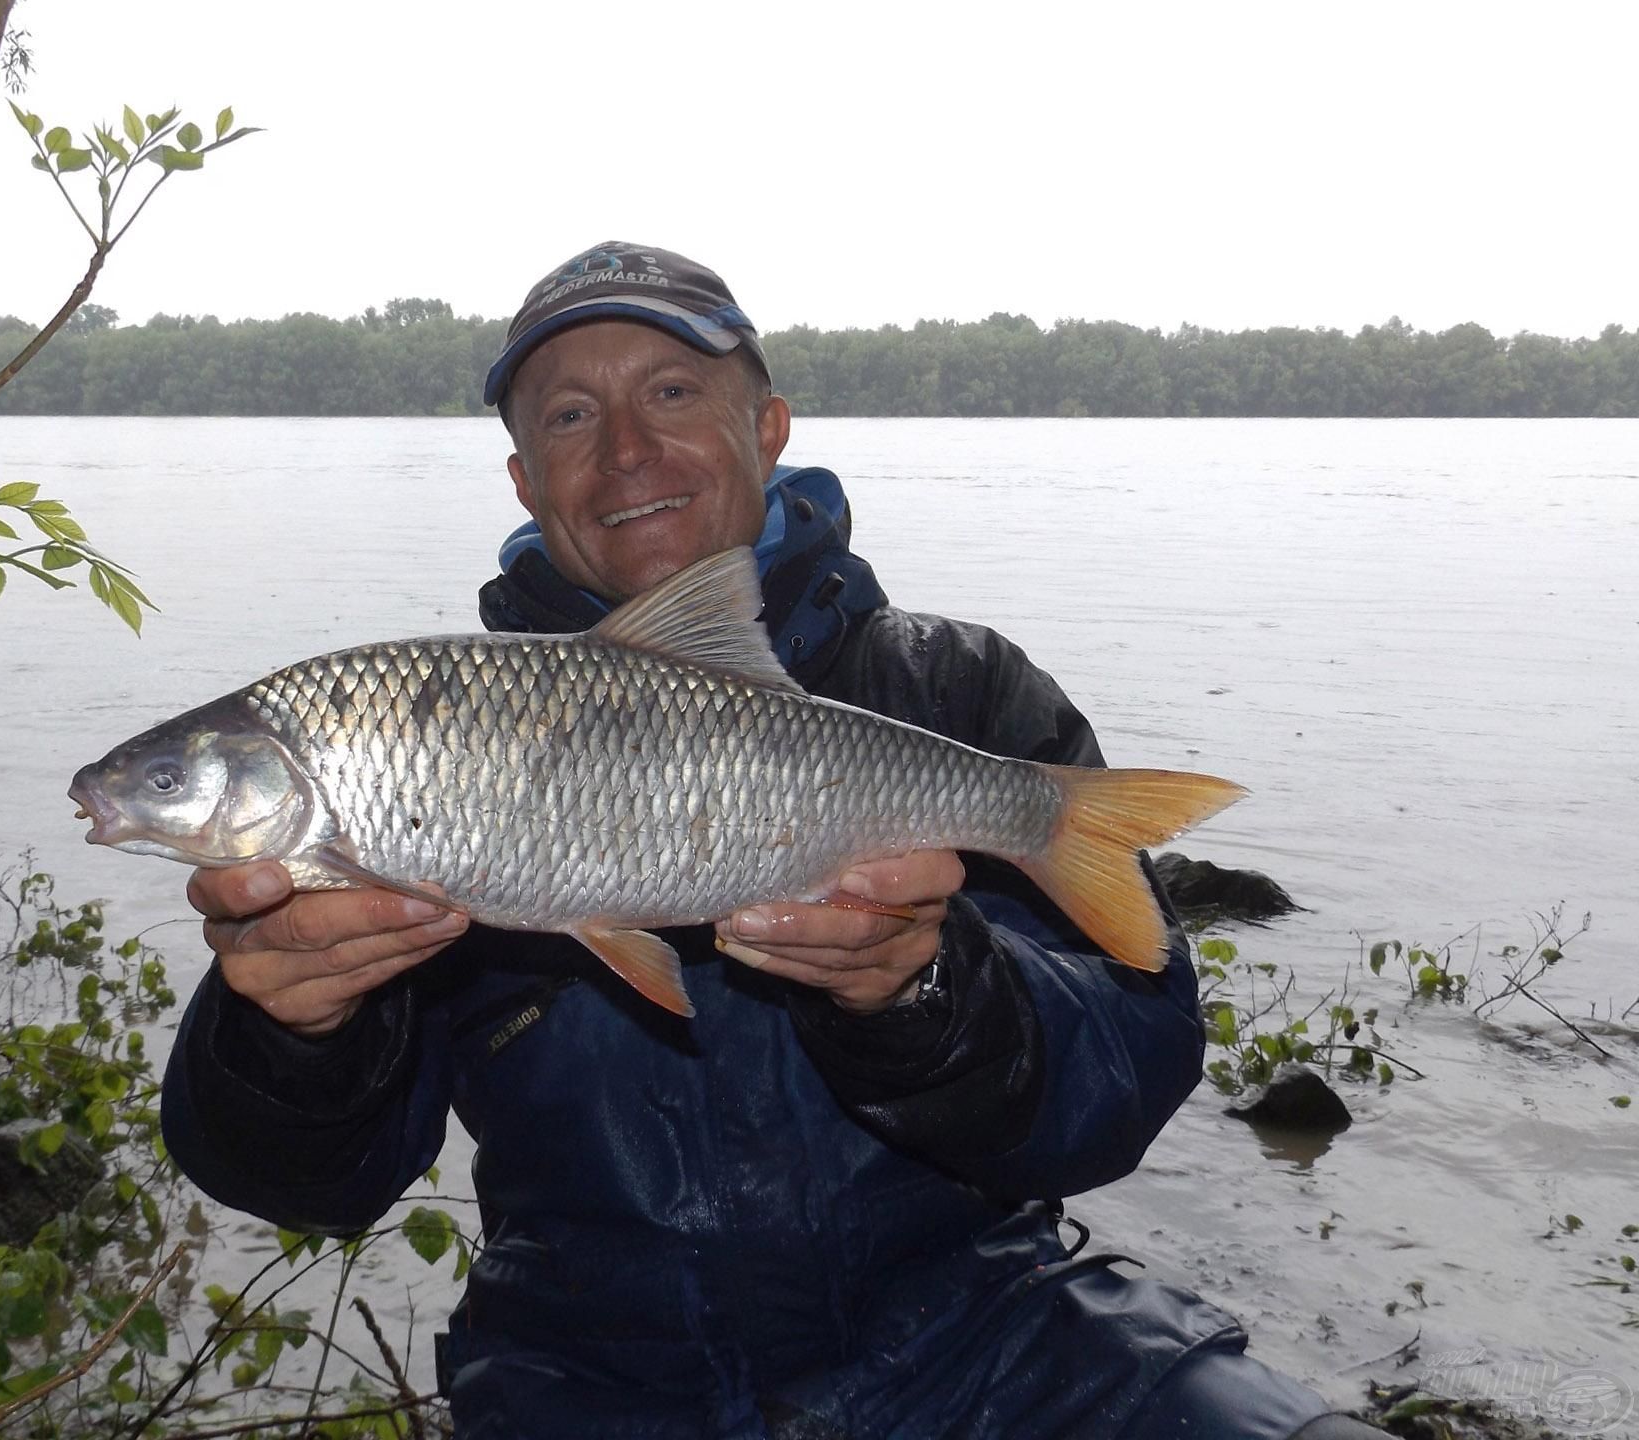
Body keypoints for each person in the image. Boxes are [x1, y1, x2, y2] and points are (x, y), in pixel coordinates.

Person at [160, 244, 1382, 1439]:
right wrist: (290, 1031)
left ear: (771, 428)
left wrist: (929, 997)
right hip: (586, 1383)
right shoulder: (419, 747)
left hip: (984, 1333)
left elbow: (1134, 1072)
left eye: (674, 394)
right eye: (572, 415)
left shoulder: (955, 692)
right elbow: (301, 1185)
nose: (628, 450)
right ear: (527, 482)